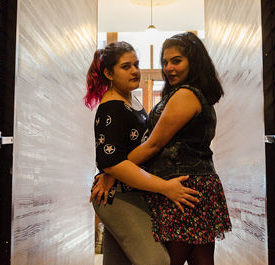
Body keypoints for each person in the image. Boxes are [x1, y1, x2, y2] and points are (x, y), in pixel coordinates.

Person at [84, 41, 199, 265]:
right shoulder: (111, 107)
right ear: (108, 73)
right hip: (118, 196)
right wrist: (166, 188)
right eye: (126, 66)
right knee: (157, 261)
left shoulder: (130, 100)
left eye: (136, 64)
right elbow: (112, 163)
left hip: (129, 193)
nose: (135, 70)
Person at [126, 32, 232, 265]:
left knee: (167, 260)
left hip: (183, 186)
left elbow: (153, 144)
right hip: (194, 184)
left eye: (176, 61)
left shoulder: (186, 94)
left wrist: (114, 167)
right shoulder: (188, 93)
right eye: (165, 62)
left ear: (193, 63)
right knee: (200, 259)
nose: (168, 68)